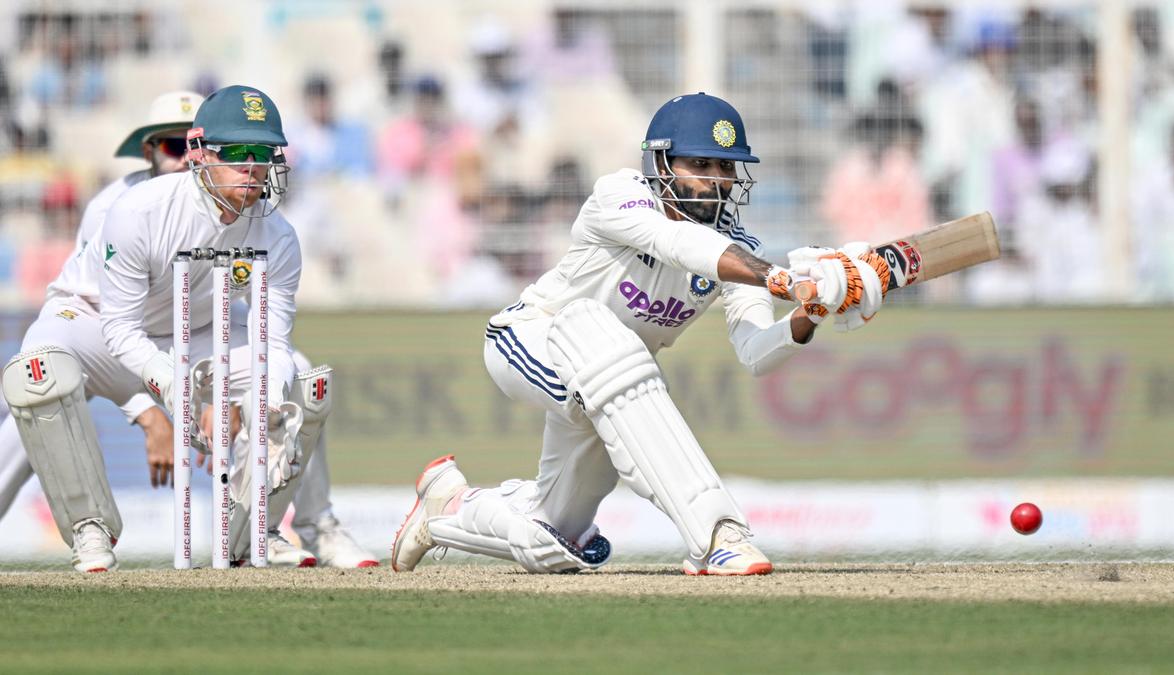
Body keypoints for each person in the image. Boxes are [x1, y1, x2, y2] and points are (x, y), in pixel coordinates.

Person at [390, 93, 890, 576]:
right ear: (661, 165)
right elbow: (676, 242)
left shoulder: (739, 250)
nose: (716, 181)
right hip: (530, 339)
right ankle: (717, 534)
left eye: (725, 168)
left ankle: (447, 506)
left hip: (610, 384)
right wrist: (786, 279)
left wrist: (815, 309)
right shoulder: (620, 195)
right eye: (702, 165)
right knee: (609, 342)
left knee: (552, 540)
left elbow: (757, 351)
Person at [0, 86, 361, 572]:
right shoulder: (134, 210)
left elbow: (272, 343)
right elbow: (120, 327)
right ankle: (90, 528)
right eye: (235, 152)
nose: (251, 167)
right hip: (92, 326)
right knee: (37, 373)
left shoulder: (279, 237)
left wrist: (265, 408)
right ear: (198, 152)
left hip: (194, 332)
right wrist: (170, 393)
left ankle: (254, 534)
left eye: (261, 152)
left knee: (299, 379)